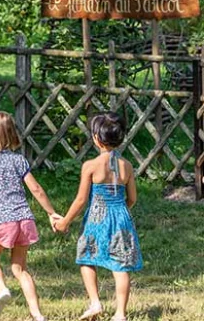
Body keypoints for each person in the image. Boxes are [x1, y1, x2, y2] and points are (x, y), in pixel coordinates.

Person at [0, 111, 60, 321]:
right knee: (20, 268)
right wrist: (52, 212)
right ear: (11, 133)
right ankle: (37, 315)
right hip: (25, 219)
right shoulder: (18, 160)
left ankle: (2, 289)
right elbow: (36, 189)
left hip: (1, 221)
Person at [54, 112, 142, 321]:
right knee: (120, 265)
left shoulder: (90, 166)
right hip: (121, 217)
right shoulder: (126, 166)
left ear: (96, 138)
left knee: (87, 257)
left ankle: (95, 303)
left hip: (97, 217)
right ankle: (120, 313)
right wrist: (120, 211)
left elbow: (81, 200)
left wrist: (65, 221)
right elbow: (132, 198)